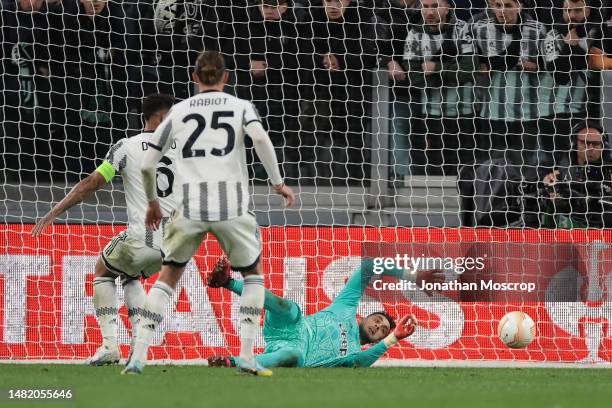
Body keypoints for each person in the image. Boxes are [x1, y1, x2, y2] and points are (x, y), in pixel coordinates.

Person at [125, 51, 295, 376]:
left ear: (194, 77)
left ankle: (138, 356)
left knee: (167, 278)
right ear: (226, 77)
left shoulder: (179, 110)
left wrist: (152, 202)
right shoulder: (240, 106)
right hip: (231, 205)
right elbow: (260, 137)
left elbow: (148, 164)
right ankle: (246, 355)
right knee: (253, 275)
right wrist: (278, 183)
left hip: (189, 206)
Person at [31, 94, 178, 365]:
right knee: (129, 275)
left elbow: (92, 183)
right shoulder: (181, 149)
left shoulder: (126, 146)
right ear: (159, 118)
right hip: (174, 245)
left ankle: (110, 344)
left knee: (102, 270)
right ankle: (138, 345)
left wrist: (54, 211)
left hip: (142, 237)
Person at [206, 257, 441, 368]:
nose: (377, 327)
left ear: (377, 340)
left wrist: (394, 338)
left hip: (298, 351)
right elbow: (369, 266)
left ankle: (231, 362)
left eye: (382, 331)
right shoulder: (346, 307)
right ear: (366, 316)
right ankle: (226, 282)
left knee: (291, 357)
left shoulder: (355, 355)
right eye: (378, 320)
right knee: (290, 309)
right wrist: (414, 276)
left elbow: (362, 363)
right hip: (291, 327)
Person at [401, 0, 477, 175]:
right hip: (431, 114)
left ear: (448, 7)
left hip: (464, 112)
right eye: (425, 6)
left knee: (466, 170)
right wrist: (451, 70)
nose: (429, 11)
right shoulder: (414, 34)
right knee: (434, 170)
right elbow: (414, 76)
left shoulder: (462, 29)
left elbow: (468, 70)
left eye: (434, 6)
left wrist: (436, 68)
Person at [540, 0, 603, 167]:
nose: (571, 15)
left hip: (596, 110)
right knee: (559, 165)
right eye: (567, 10)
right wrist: (569, 46)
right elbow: (560, 76)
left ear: (588, 10)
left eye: (577, 10)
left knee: (594, 163)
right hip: (558, 113)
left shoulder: (599, 32)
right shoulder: (552, 35)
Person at [542, 120, 612, 228]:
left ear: (604, 146)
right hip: (564, 234)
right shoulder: (562, 171)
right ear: (574, 144)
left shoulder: (609, 172)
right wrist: (549, 188)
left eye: (596, 144)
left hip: (600, 234)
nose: (591, 148)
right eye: (585, 143)